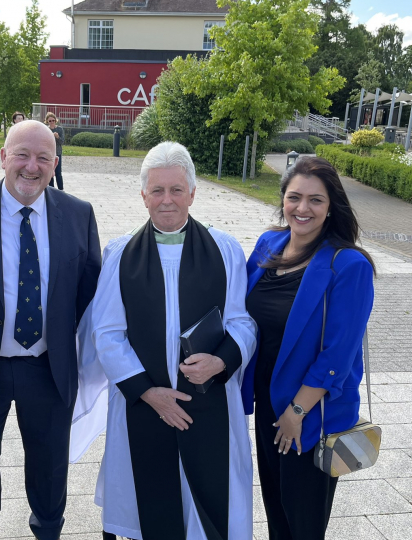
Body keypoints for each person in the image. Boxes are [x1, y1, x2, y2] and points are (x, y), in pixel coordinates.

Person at [0, 120, 101, 540]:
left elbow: (89, 288)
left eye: (43, 157)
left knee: (49, 465)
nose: (32, 166)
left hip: (47, 366)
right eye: (22, 155)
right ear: (3, 157)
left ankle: (48, 531)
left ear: (55, 163)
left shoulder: (79, 213)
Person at [90, 141, 258, 540]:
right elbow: (107, 334)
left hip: (209, 399)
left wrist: (222, 362)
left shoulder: (225, 249)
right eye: (157, 190)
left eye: (177, 189)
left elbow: (242, 322)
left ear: (193, 193)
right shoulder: (119, 253)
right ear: (143, 195)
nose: (167, 200)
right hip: (144, 404)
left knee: (209, 509)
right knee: (152, 508)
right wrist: (150, 393)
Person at [243, 156, 375, 540]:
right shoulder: (270, 243)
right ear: (282, 199)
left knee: (302, 522)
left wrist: (296, 411)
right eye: (294, 197)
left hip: (310, 412)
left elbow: (338, 354)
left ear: (332, 205)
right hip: (268, 400)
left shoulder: (348, 265)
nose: (303, 208)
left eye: (315, 200)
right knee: (276, 510)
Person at [44, 112, 64, 191]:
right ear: (47, 121)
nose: (52, 122)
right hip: (48, 154)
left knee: (58, 173)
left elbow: (62, 142)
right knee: (50, 173)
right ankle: (51, 189)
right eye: (50, 121)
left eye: (53, 120)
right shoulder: (46, 129)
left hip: (57, 153)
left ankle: (61, 190)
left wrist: (57, 137)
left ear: (56, 121)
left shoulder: (59, 129)